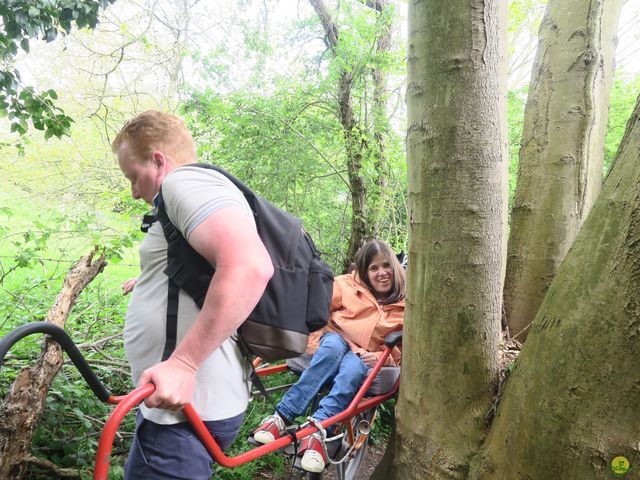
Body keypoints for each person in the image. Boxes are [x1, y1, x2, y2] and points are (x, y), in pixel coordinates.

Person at [112, 110, 273, 480]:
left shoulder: (184, 183)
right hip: (177, 406)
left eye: (134, 177)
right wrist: (153, 281)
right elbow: (207, 267)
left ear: (158, 160)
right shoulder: (183, 197)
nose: (134, 191)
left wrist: (183, 364)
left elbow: (250, 267)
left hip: (184, 410)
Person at [253, 239, 405, 473]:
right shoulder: (345, 285)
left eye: (386, 266)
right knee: (333, 346)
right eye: (373, 268)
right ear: (364, 272)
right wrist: (314, 344)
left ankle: (317, 432)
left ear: (395, 267)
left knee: (353, 370)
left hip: (362, 356)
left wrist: (381, 357)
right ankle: (281, 416)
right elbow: (316, 314)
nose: (381, 273)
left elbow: (404, 350)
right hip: (333, 340)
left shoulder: (406, 306)